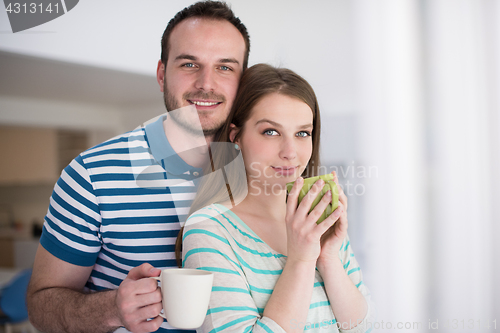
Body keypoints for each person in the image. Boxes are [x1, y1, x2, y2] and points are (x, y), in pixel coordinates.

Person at [26, 1, 250, 333]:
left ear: (243, 82)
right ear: (162, 74)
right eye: (189, 64)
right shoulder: (89, 175)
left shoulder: (262, 170)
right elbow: (41, 305)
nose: (207, 83)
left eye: (225, 67)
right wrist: (112, 309)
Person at [179, 64, 374, 332]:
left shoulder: (315, 219)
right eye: (271, 132)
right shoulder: (208, 231)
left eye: (302, 133)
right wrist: (301, 260)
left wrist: (327, 258)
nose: (290, 152)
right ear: (236, 137)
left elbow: (364, 327)